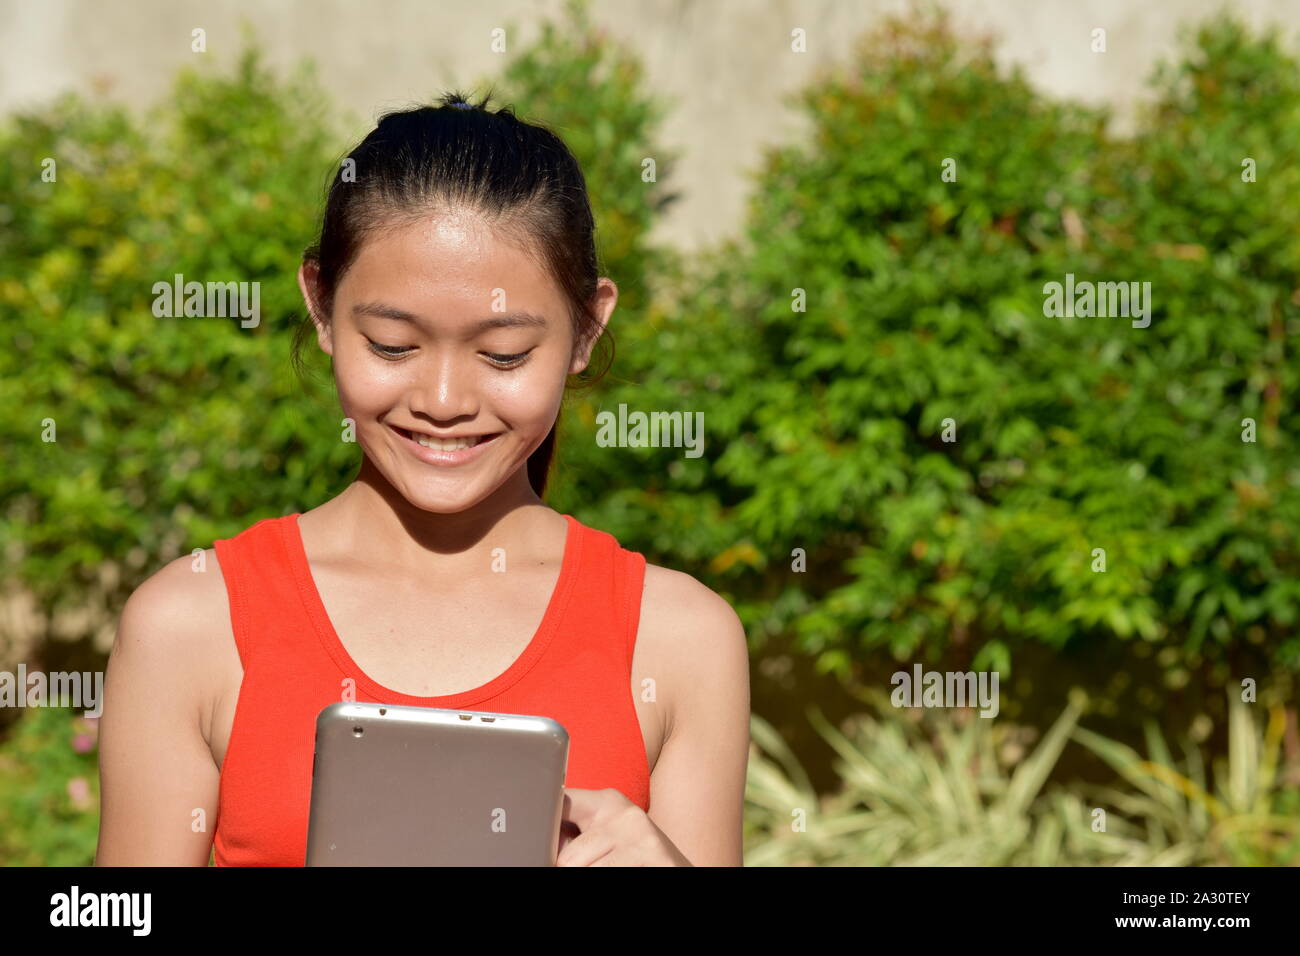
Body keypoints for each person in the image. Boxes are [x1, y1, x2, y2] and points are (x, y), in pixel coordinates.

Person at [94, 90, 750, 867]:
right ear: (321, 305)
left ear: (587, 330)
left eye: (504, 355)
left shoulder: (680, 641)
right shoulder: (189, 625)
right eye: (393, 344)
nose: (443, 403)